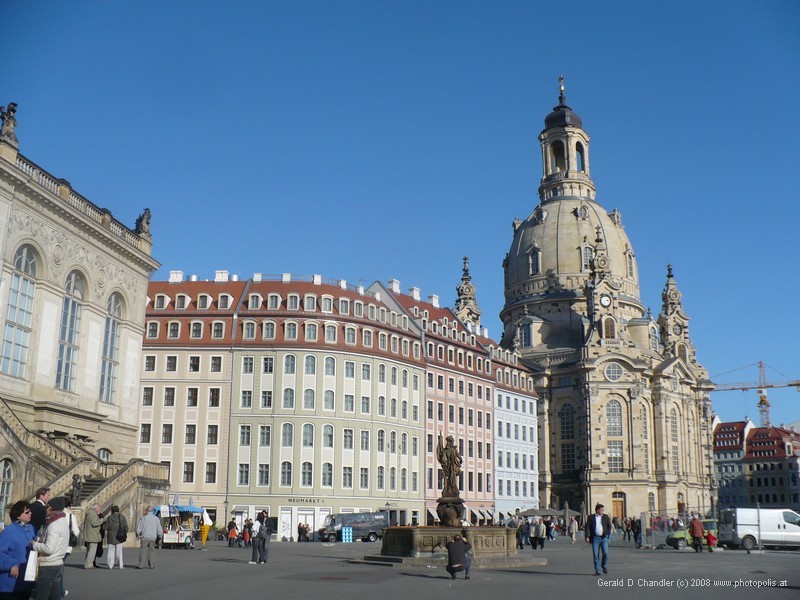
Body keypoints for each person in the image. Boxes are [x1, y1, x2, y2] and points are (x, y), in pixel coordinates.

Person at [31, 496, 69, 600]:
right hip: (58, 563)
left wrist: (34, 544)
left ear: (51, 508)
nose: (45, 509)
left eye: (47, 507)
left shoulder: (54, 525)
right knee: (54, 597)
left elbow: (49, 549)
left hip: (48, 565)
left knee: (42, 596)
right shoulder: (63, 521)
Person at [0, 500, 35, 599]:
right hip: (10, 582)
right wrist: (12, 564)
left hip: (27, 579)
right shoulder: (9, 531)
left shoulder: (30, 528)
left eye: (30, 511)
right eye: (27, 512)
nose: (30, 513)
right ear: (18, 516)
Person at [585, 503, 612, 576]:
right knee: (596, 555)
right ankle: (598, 571)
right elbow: (587, 527)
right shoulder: (591, 517)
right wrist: (587, 536)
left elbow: (609, 526)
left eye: (603, 510)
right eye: (601, 510)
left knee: (605, 553)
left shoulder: (606, 517)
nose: (603, 511)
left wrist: (608, 533)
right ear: (597, 510)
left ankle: (604, 565)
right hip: (595, 538)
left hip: (603, 538)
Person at [436, 433, 462, 498]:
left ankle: (451, 490)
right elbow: (459, 457)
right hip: (452, 467)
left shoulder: (446, 451)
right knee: (451, 480)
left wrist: (444, 464)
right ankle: (452, 490)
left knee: (450, 479)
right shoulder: (453, 450)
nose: (452, 443)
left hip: (449, 467)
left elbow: (443, 459)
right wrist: (461, 461)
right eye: (452, 442)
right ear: (450, 442)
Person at [82, 504, 105, 569]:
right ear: (96, 508)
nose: (100, 510)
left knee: (89, 551)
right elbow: (95, 523)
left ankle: (89, 563)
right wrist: (102, 520)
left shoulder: (89, 513)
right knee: (91, 551)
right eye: (99, 508)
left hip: (90, 535)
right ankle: (88, 564)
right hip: (93, 535)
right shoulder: (93, 514)